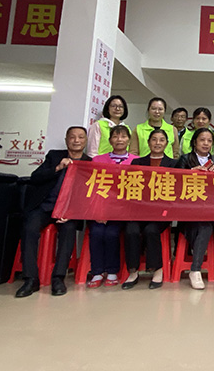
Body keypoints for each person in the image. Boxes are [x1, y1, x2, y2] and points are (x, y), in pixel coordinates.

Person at [15, 126, 90, 298]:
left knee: (69, 230)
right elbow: (36, 177)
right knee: (29, 228)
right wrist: (57, 168)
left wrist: (72, 212)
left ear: (86, 141)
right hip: (45, 207)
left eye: (80, 137)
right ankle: (30, 279)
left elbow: (88, 195)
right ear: (66, 140)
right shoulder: (54, 156)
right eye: (72, 137)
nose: (76, 140)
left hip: (69, 212)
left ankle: (58, 277)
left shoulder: (89, 163)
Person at [122, 129, 175, 290]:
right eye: (154, 139)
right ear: (148, 142)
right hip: (139, 211)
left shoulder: (174, 164)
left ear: (167, 143)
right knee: (131, 230)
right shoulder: (137, 163)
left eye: (161, 140)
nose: (157, 143)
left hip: (162, 213)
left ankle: (157, 270)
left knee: (151, 230)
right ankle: (133, 271)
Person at [88, 125, 138, 288]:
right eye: (115, 137)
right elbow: (92, 188)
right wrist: (99, 211)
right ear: (110, 140)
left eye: (123, 136)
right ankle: (97, 271)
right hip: (100, 209)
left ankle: (112, 271)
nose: (119, 140)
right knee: (96, 232)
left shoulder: (136, 161)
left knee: (111, 234)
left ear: (129, 140)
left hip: (123, 211)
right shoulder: (97, 160)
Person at [176, 129, 214, 289]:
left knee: (207, 226)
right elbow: (175, 182)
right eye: (202, 140)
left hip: (210, 208)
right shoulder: (185, 159)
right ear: (195, 142)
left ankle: (195, 268)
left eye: (209, 141)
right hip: (189, 208)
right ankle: (195, 270)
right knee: (203, 227)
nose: (206, 144)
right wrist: (191, 173)